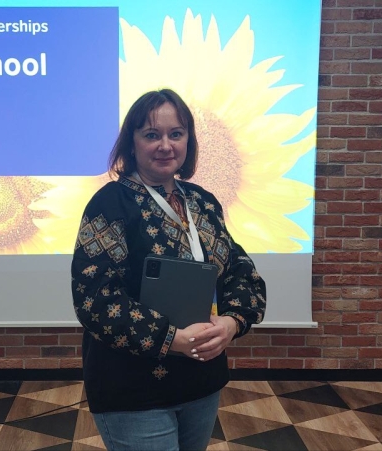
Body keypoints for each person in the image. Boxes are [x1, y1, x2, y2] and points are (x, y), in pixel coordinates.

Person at [71, 88, 267, 451]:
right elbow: (95, 300)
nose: (165, 145)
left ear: (188, 140)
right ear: (132, 144)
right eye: (152, 134)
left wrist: (231, 323)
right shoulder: (109, 205)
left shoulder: (203, 202)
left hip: (201, 380)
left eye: (176, 134)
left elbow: (241, 272)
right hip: (133, 389)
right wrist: (172, 339)